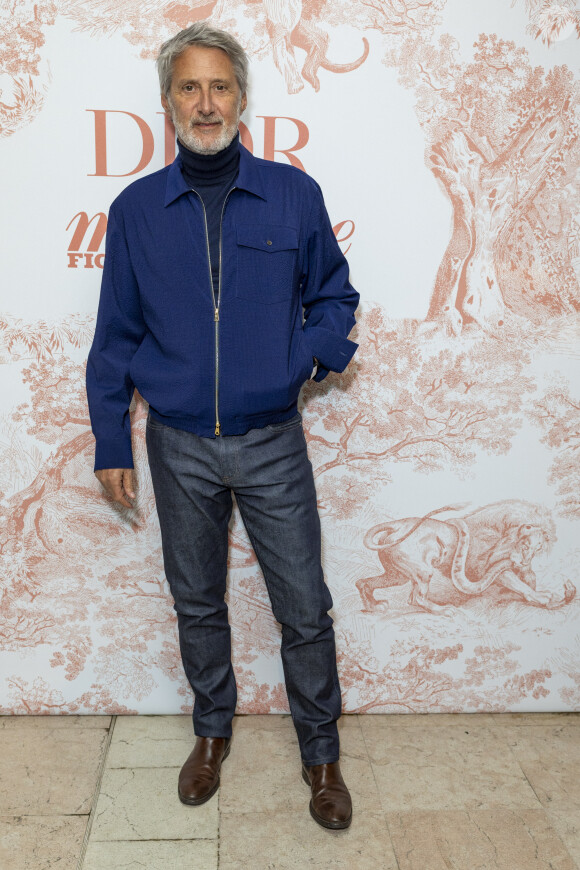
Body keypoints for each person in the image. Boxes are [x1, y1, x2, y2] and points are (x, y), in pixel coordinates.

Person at [85, 22, 359, 831]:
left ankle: (321, 753)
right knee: (197, 601)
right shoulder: (134, 211)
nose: (206, 104)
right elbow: (115, 337)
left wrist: (295, 365)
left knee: (303, 605)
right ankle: (211, 733)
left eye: (220, 87)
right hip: (177, 444)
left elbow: (336, 299)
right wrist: (110, 439)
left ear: (242, 97)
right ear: (167, 101)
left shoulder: (292, 195)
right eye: (189, 88)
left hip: (272, 438)